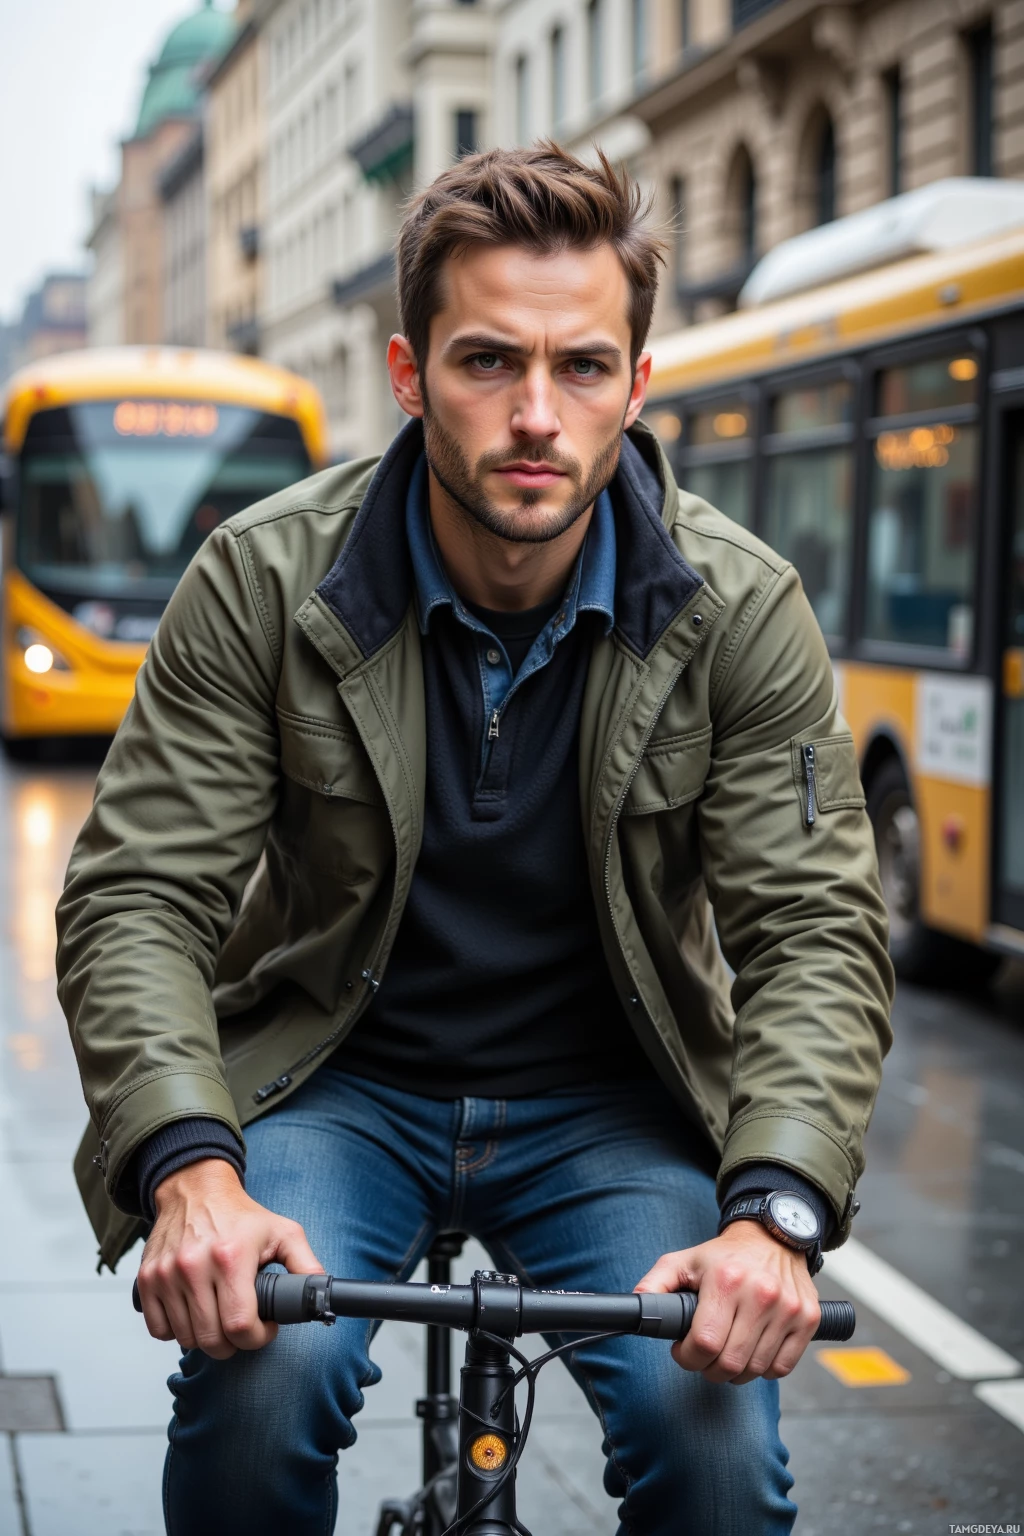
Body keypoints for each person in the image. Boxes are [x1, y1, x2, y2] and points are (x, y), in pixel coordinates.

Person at [56, 145, 893, 1536]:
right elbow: (139, 895)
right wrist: (191, 1170)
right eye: (489, 362)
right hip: (337, 1081)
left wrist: (779, 1214)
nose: (535, 417)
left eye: (580, 369)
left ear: (637, 383)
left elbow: (814, 931)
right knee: (262, 1387)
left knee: (719, 1463)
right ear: (406, 373)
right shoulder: (264, 579)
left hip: (612, 1104)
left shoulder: (742, 610)